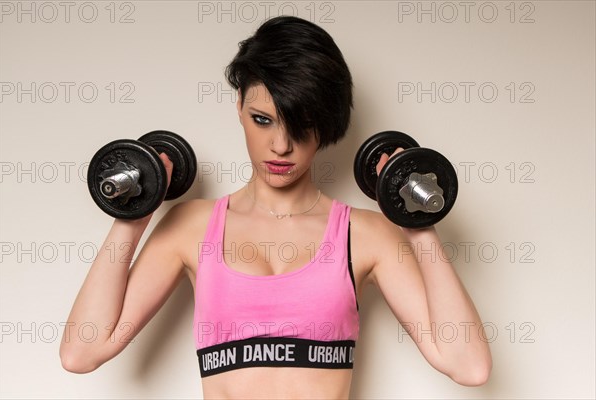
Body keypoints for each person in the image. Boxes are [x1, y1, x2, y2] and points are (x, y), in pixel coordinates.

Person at [60, 16, 492, 399]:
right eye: (262, 120)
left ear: (325, 125)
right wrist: (135, 213)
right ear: (240, 110)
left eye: (301, 125)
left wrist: (416, 222)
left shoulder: (365, 234)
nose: (280, 146)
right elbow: (83, 351)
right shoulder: (191, 227)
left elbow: (469, 366)